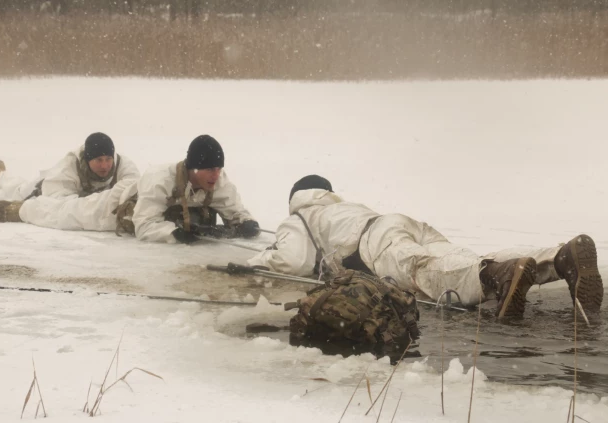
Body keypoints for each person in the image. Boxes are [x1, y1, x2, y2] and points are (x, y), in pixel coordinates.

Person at [248, 175, 604, 318]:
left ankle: (501, 276)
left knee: (428, 274)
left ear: (294, 198)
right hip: (400, 223)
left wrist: (258, 259)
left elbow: (293, 260)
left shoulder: (300, 217)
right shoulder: (341, 207)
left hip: (375, 243)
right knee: (457, 259)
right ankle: (558, 259)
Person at [0, 132, 140, 231]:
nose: (105, 165)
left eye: (108, 159)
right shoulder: (67, 170)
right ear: (87, 160)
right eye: (98, 160)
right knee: (19, 192)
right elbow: (59, 209)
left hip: (84, 197)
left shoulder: (124, 167)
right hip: (44, 188)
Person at [127, 134, 259, 243]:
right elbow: (144, 225)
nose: (216, 175)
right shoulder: (160, 181)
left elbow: (235, 210)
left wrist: (246, 222)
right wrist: (174, 233)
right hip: (121, 206)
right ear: (193, 168)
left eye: (219, 168)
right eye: (210, 169)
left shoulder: (217, 180)